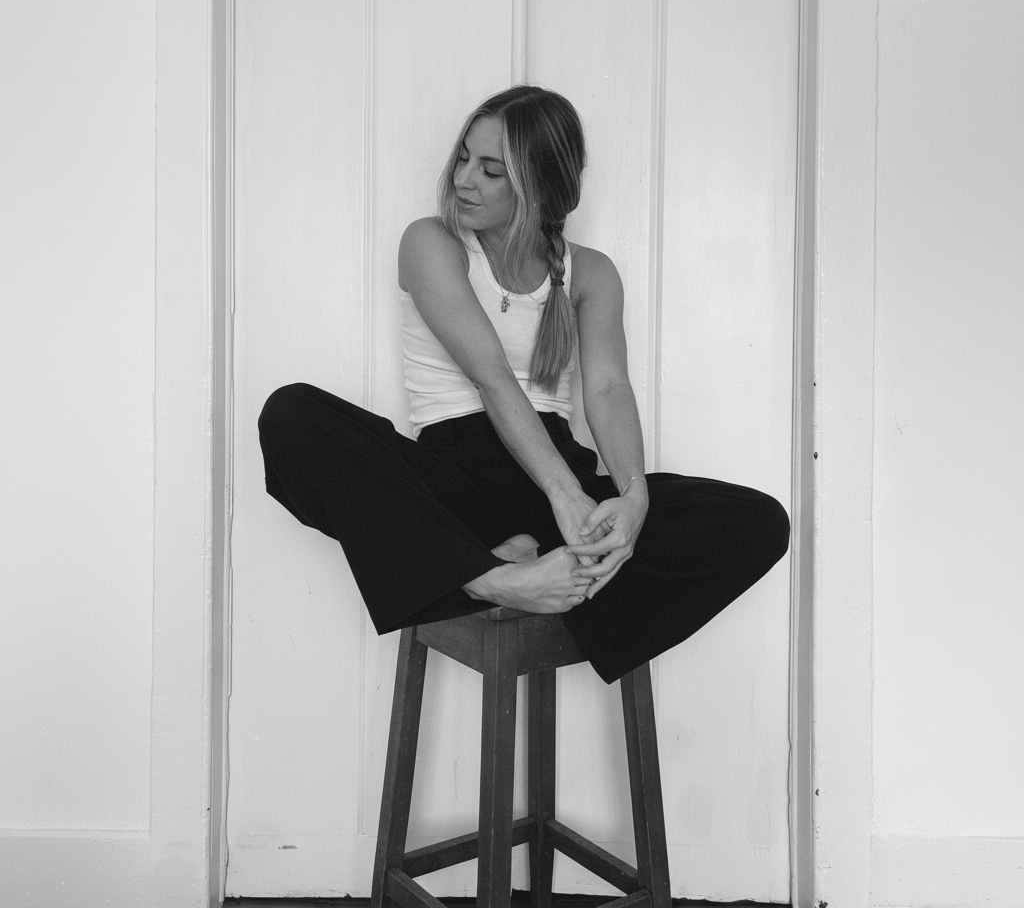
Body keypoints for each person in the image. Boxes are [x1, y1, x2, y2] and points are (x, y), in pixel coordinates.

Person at [258, 85, 789, 684]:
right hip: (452, 489)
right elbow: (490, 378)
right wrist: (564, 496)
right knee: (291, 414)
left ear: (539, 184)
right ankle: (494, 579)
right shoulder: (431, 242)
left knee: (757, 522)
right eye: (464, 158)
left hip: (554, 481)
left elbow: (608, 390)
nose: (464, 180)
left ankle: (549, 577)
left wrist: (632, 501)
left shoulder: (591, 272)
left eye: (491, 171)